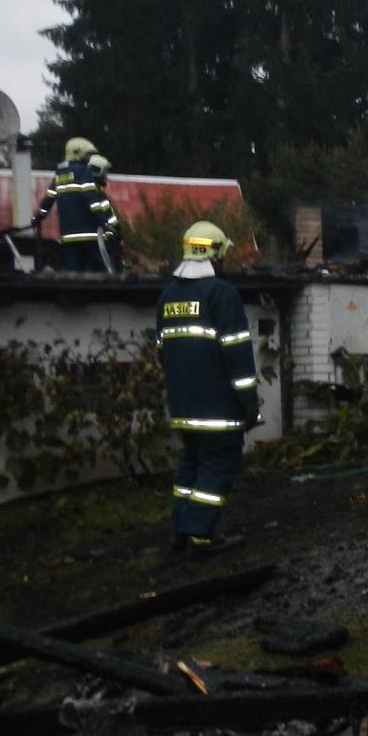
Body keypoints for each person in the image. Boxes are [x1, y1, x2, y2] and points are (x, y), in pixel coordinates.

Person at [156, 221, 260, 554]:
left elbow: (163, 353)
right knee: (217, 468)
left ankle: (180, 531)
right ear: (215, 254)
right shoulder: (221, 294)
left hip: (183, 408)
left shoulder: (167, 297)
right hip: (218, 409)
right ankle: (200, 535)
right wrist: (249, 402)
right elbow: (237, 352)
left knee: (191, 466)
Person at [34, 136, 118, 272]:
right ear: (77, 153)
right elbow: (93, 202)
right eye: (87, 155)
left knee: (73, 274)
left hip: (68, 236)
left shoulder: (59, 174)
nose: (88, 159)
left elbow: (48, 199)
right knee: (103, 272)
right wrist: (105, 223)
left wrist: (38, 217)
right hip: (90, 235)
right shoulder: (83, 171)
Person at [86, 153, 123, 273]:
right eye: (105, 172)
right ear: (98, 172)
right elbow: (110, 220)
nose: (106, 176)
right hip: (103, 244)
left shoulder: (90, 192)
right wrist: (116, 233)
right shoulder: (97, 195)